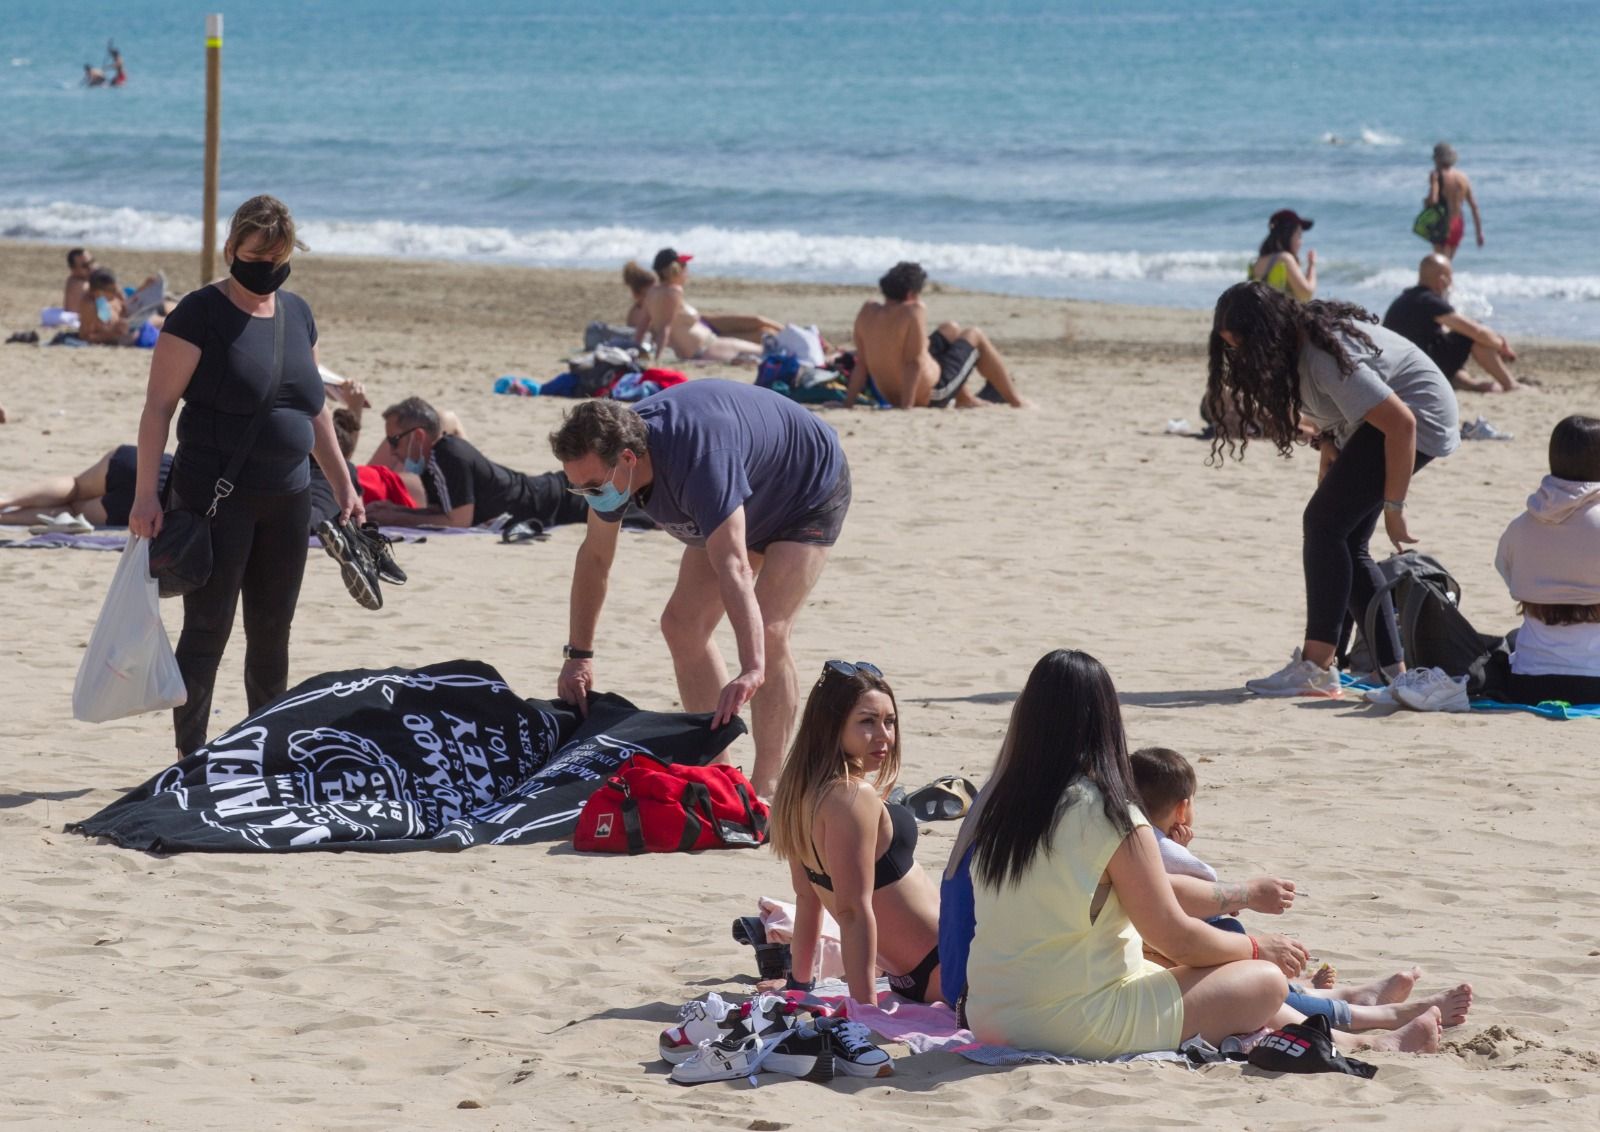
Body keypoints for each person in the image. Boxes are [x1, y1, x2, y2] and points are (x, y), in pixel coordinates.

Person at [962, 648, 1444, 1058]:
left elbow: (1149, 893)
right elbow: (1175, 936)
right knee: (1260, 980)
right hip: (1073, 1022)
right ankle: (1363, 1037)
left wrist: (1237, 900)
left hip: (992, 1015)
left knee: (1207, 977)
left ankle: (1346, 1032)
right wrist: (1259, 948)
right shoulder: (1107, 811)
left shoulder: (1000, 805)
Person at [129, 194, 365, 756]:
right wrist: (144, 496)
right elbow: (157, 408)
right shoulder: (198, 314)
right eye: (256, 255)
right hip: (215, 500)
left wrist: (342, 483)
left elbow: (314, 410)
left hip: (288, 500)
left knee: (271, 635)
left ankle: (264, 755)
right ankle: (191, 758)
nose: (266, 269)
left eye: (278, 258)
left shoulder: (298, 314)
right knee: (208, 632)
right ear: (231, 247)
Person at [549, 382, 851, 797]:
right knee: (681, 625)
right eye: (579, 488)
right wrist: (578, 656)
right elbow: (596, 557)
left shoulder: (700, 463)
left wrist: (752, 667)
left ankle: (769, 787)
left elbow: (734, 566)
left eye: (594, 487)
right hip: (742, 484)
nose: (591, 497)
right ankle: (720, 775)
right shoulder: (613, 464)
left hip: (805, 487)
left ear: (628, 459)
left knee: (768, 628)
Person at [1205, 283, 1460, 697]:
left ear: (1267, 334)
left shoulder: (1323, 356)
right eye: (1230, 348)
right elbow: (1341, 407)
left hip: (1418, 416)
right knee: (1347, 537)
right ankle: (1390, 670)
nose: (1239, 358)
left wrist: (1395, 506)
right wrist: (1328, 443)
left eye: (1243, 346)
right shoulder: (1299, 346)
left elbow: (1401, 424)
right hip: (1380, 423)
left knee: (1323, 524)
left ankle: (1317, 667)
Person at [1129, 746, 1472, 1034]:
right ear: (1183, 808)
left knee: (1264, 982)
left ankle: (1346, 995)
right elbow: (1200, 887)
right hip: (1184, 950)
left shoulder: (1135, 839)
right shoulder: (1156, 847)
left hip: (1168, 952)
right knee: (1255, 984)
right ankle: (1365, 1014)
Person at [768, 661, 944, 1006]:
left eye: (889, 722)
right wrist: (866, 1011)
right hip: (951, 967)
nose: (884, 736)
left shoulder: (797, 794)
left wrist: (799, 985)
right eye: (867, 722)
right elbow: (852, 912)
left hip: (909, 978)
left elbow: (808, 899)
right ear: (831, 727)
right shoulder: (852, 796)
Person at [1494, 416, 1600, 706]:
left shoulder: (1522, 524)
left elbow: (1508, 572)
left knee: (1516, 635)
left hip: (1529, 683)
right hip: (1595, 682)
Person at [364, 397, 588, 531]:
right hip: (555, 495)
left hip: (563, 501)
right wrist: (396, 509)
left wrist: (395, 517)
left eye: (395, 440)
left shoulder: (446, 455)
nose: (392, 451)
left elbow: (459, 521)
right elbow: (443, 509)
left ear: (419, 436)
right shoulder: (431, 462)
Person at [845, 262, 1027, 409]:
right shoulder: (913, 310)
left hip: (890, 393)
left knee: (950, 329)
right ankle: (1016, 401)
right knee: (974, 334)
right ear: (911, 294)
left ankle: (965, 398)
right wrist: (906, 406)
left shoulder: (868, 310)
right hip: (931, 393)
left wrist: (848, 403)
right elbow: (913, 363)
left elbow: (862, 362)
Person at [1383, 254, 1520, 393]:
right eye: (1450, 277)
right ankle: (1510, 384)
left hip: (1400, 368)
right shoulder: (1430, 301)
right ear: (1442, 280)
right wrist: (1501, 346)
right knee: (1472, 335)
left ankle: (1464, 382)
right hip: (1419, 367)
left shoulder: (1406, 298)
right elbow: (1476, 331)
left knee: (1454, 336)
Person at [639, 249, 763, 364]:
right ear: (675, 269)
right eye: (684, 266)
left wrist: (635, 349)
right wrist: (657, 360)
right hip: (705, 349)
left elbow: (643, 325)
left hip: (705, 347)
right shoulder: (673, 292)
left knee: (761, 349)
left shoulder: (652, 292)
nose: (687, 271)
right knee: (765, 353)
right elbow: (666, 327)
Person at [0, 446, 173, 528]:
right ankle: (5, 518)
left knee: (76, 485)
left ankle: (6, 499)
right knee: (73, 512)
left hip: (146, 462)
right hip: (156, 499)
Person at [1426, 142, 1483, 260]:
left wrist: (1426, 201)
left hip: (1442, 223)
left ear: (1437, 158)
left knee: (1440, 262)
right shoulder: (1463, 177)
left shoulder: (1436, 175)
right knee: (1447, 262)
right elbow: (1474, 207)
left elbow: (1433, 200)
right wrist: (1479, 233)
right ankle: (1449, 278)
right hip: (1458, 223)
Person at [1249, 210, 1316, 301]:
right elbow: (1306, 294)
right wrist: (1312, 265)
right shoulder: (1285, 258)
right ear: (1287, 235)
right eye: (1299, 236)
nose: (1301, 242)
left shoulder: (1256, 262)